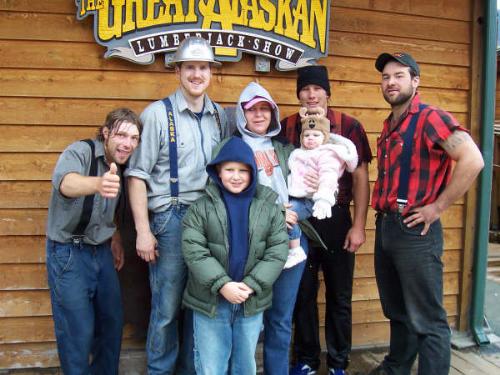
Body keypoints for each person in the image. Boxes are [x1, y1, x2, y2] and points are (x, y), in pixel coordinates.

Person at [368, 52, 484, 375]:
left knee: (429, 320)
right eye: (386, 77)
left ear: (415, 81)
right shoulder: (390, 124)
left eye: (399, 75)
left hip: (416, 231)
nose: (391, 82)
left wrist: (438, 206)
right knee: (398, 311)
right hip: (387, 226)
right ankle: (397, 368)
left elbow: (473, 159)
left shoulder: (430, 118)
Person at [125, 37, 228, 374]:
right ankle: (159, 371)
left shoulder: (219, 118)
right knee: (166, 308)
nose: (197, 74)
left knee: (200, 304)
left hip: (209, 219)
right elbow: (137, 175)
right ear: (178, 71)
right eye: (190, 67)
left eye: (203, 67)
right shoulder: (157, 114)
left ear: (211, 72)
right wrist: (143, 230)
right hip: (170, 219)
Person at [281, 65, 372, 375]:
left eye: (316, 89)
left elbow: (360, 176)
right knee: (302, 292)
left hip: (336, 216)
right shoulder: (287, 126)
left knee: (339, 293)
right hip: (300, 217)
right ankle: (306, 359)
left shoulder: (349, 126)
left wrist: (358, 224)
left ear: (327, 93)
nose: (310, 95)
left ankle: (338, 363)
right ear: (298, 95)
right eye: (305, 89)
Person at [234, 81, 323, 375]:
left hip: (291, 247)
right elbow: (228, 201)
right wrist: (274, 213)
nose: (259, 115)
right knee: (247, 319)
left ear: (273, 113)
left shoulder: (288, 150)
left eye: (264, 109)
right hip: (251, 247)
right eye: (252, 110)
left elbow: (309, 196)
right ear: (241, 113)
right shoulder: (233, 149)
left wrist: (298, 206)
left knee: (281, 319)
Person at [46, 108, 142, 374]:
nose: (127, 143)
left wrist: (116, 237)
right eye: (122, 135)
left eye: (134, 138)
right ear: (106, 132)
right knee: (77, 331)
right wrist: (98, 184)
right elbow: (66, 183)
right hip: (68, 253)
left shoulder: (123, 165)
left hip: (101, 252)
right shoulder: (80, 152)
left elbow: (107, 210)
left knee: (111, 324)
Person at [182, 136, 289, 375]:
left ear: (253, 172)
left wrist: (250, 285)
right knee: (212, 365)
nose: (236, 175)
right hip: (211, 302)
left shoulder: (269, 207)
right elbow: (194, 250)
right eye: (229, 169)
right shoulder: (201, 208)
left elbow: (277, 251)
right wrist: (222, 284)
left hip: (249, 301)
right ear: (218, 171)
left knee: (244, 365)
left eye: (243, 170)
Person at [287, 106, 358, 249]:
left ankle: (295, 249)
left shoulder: (327, 154)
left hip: (314, 202)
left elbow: (329, 176)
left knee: (289, 216)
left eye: (316, 135)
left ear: (324, 138)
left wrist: (324, 198)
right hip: (296, 196)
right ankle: (295, 247)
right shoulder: (299, 153)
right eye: (307, 135)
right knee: (285, 214)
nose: (310, 139)